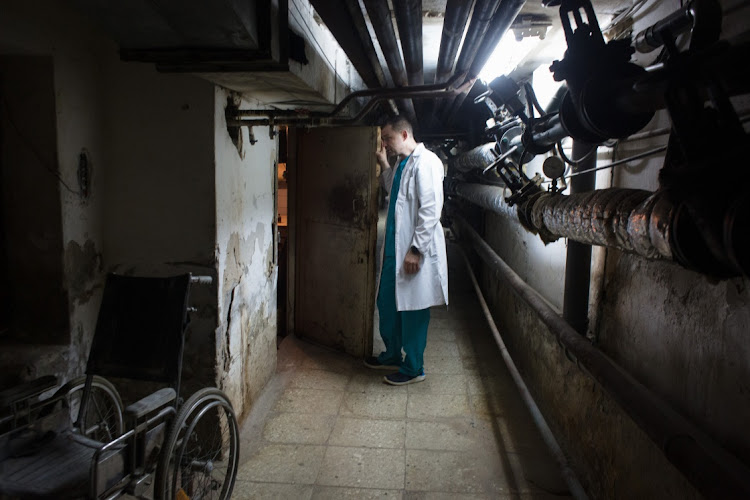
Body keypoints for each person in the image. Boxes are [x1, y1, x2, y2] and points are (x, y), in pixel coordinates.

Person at [364, 116, 449, 385]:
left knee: (413, 310)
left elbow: (430, 210)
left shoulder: (427, 163)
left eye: (387, 138)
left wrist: (416, 250)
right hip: (393, 250)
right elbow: (395, 191)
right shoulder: (403, 163)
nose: (385, 143)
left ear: (403, 134)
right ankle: (392, 354)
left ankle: (414, 368)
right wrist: (383, 162)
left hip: (412, 251)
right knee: (387, 303)